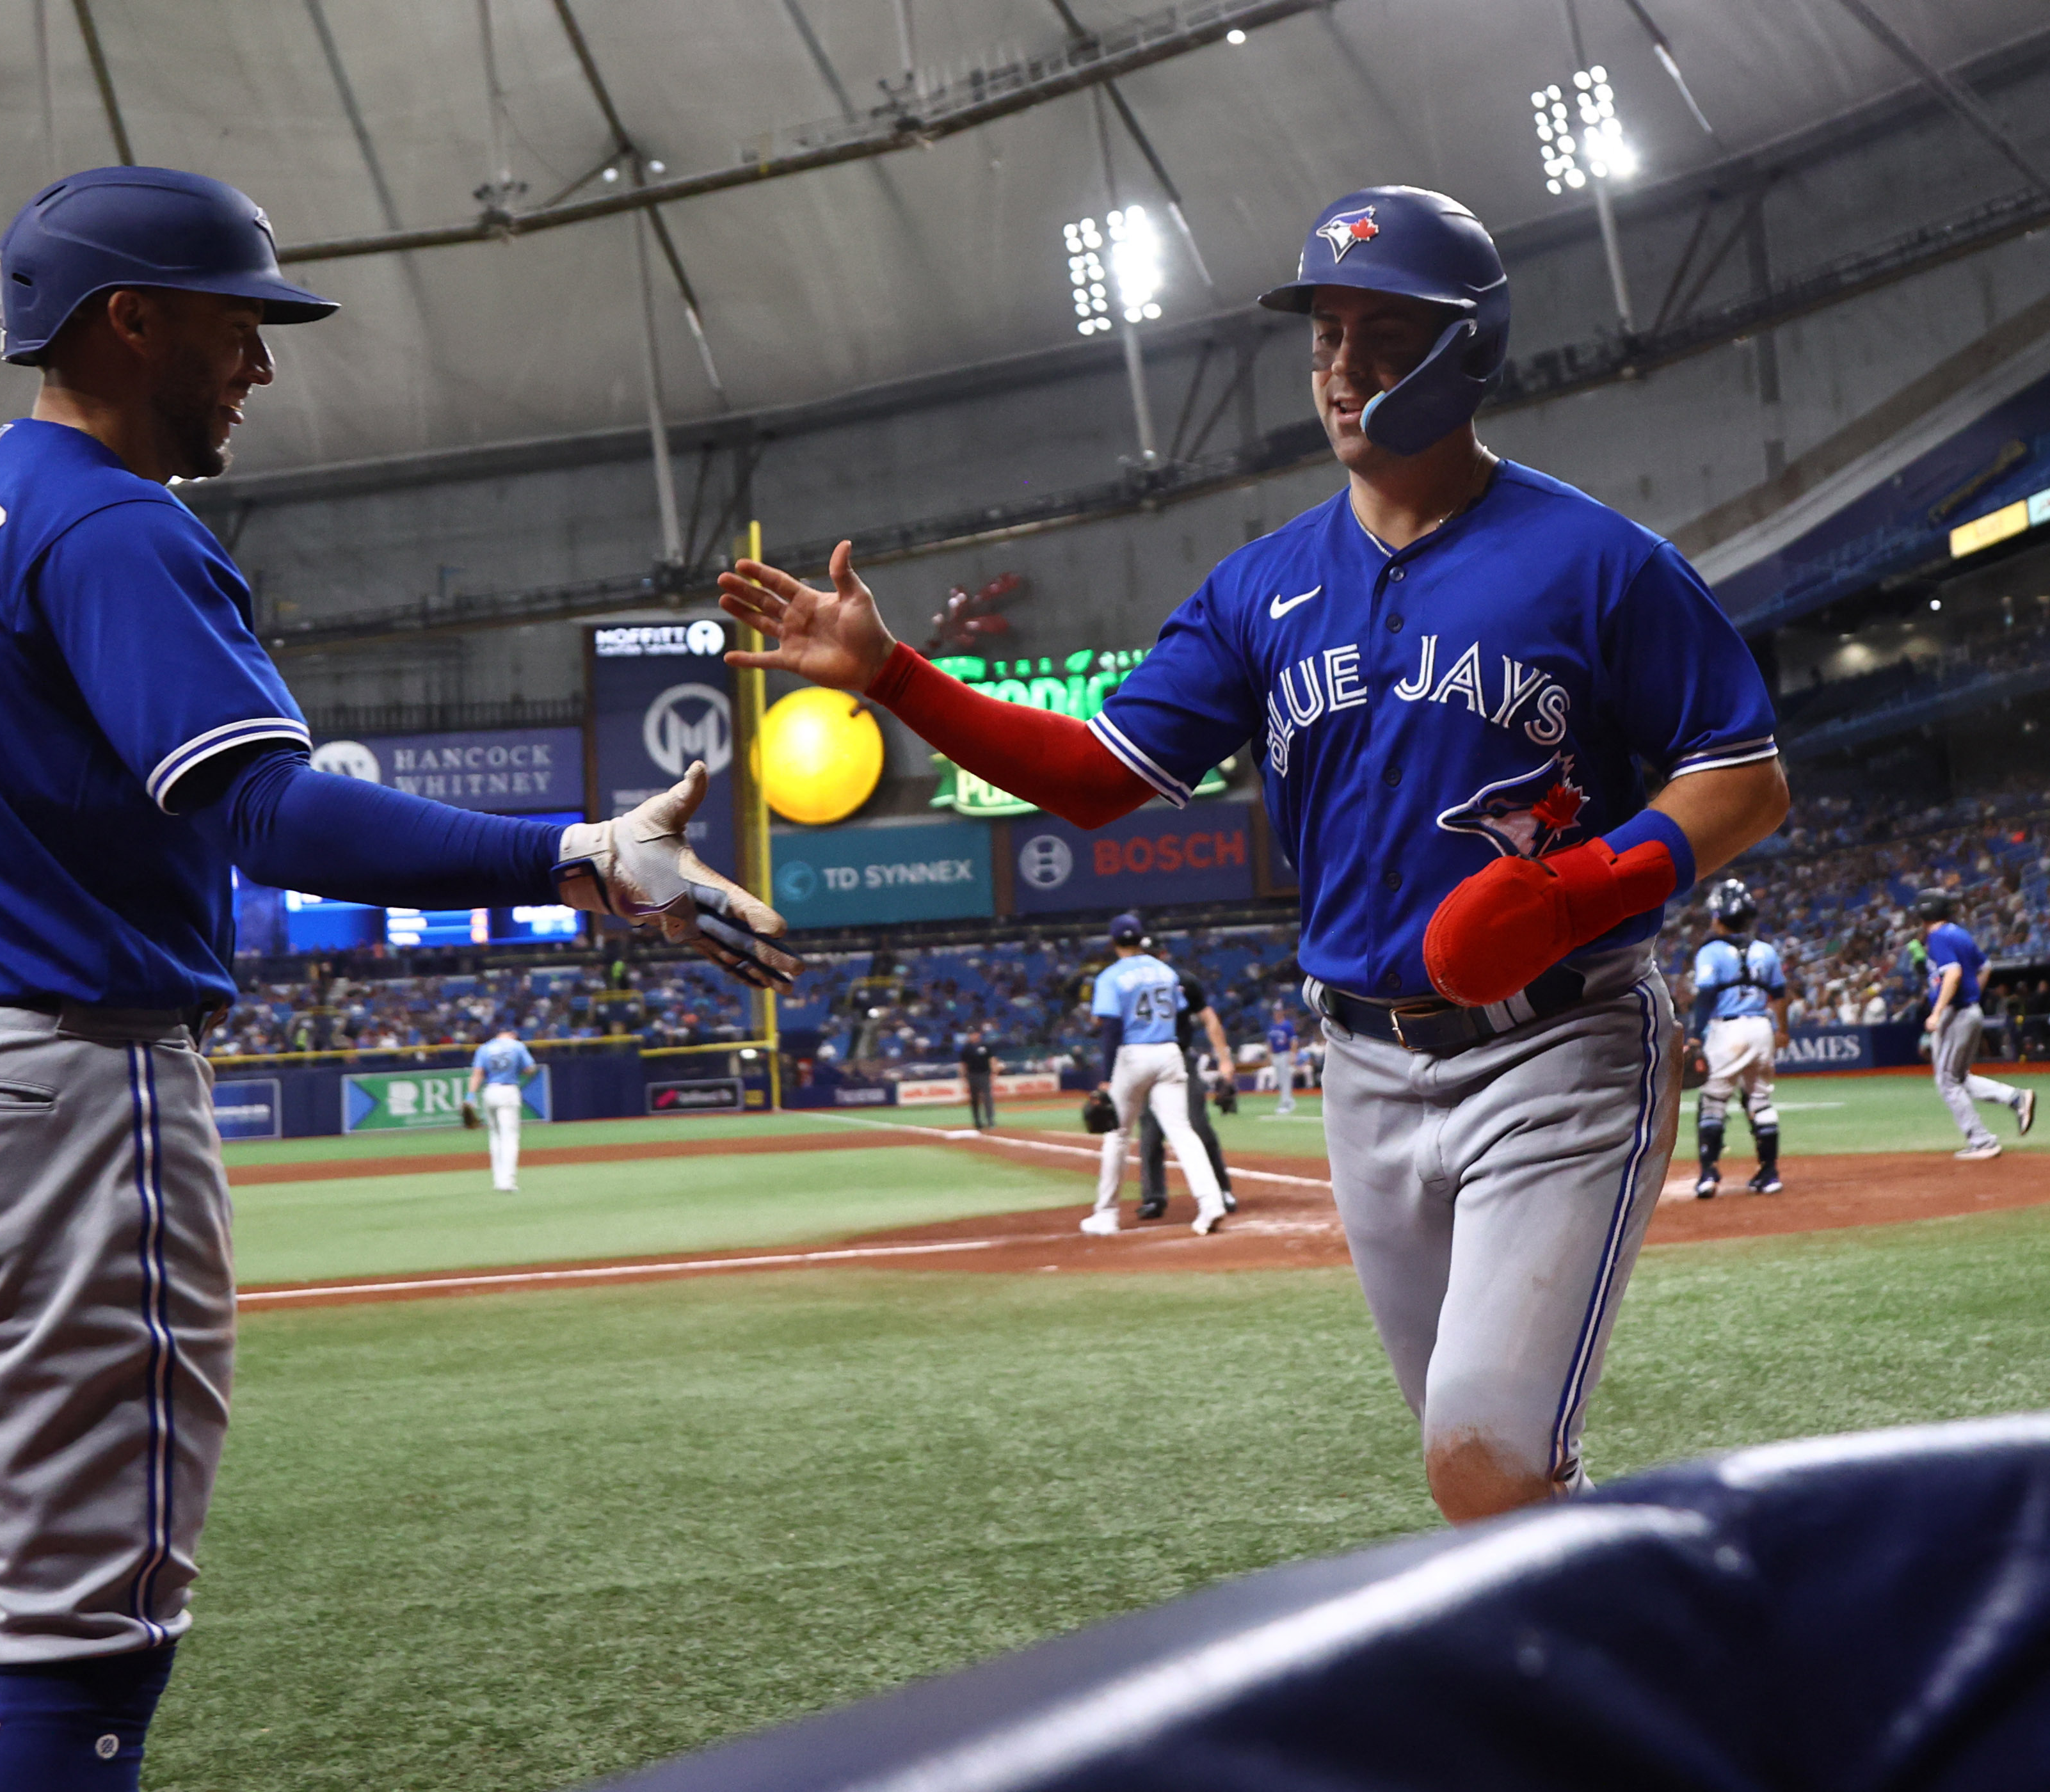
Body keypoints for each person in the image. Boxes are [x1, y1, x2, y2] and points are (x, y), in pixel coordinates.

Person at [0, 166, 797, 1792]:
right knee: (79, 1659)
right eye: (236, 323)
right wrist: (578, 851)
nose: (260, 364)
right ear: (131, 320)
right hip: (61, 1105)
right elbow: (265, 807)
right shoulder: (114, 521)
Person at [718, 184, 1789, 1522]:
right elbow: (1094, 779)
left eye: (1382, 332)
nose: (1343, 370)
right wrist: (892, 674)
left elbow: (1743, 778)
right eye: (1327, 335)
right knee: (1502, 1482)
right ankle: (1613, 1670)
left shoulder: (1598, 562)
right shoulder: (1259, 588)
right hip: (1363, 1069)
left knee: (1482, 1443)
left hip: (1559, 1048)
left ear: (1468, 346)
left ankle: (1641, 1687)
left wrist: (1584, 885)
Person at [1078, 915, 1226, 1236]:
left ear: (1114, 943)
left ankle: (1106, 1215)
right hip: (1169, 1052)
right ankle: (1211, 1202)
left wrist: (1106, 1077)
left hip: (1133, 1054)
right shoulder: (1166, 971)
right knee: (1182, 1131)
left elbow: (1112, 1028)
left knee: (1118, 1135)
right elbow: (1179, 1013)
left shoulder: (1110, 976)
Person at [1916, 886, 2036, 1160]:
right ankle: (2015, 1098)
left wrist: (1937, 1012)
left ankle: (1982, 1141)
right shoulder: (1959, 932)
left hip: (1956, 1014)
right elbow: (1986, 968)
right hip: (1969, 1011)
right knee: (1958, 1078)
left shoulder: (1938, 937)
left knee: (1947, 1082)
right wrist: (1973, 998)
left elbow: (1953, 974)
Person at [1688, 878, 1788, 1197]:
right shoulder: (1766, 950)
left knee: (1714, 1101)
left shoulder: (1711, 952)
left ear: (1717, 917)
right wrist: (1782, 1030)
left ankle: (1707, 1176)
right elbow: (1780, 994)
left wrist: (1694, 1035)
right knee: (1760, 1099)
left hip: (1727, 1030)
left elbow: (1705, 996)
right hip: (1761, 1027)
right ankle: (1769, 1174)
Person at [1137, 946, 1239, 1221]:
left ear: (1163, 954)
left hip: (1179, 1058)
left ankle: (1222, 1190)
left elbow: (1208, 1017)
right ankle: (1154, 1198)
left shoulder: (1182, 980)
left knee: (1199, 1125)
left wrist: (1224, 1059)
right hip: (1143, 1060)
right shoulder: (1131, 984)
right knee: (1150, 1132)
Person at [469, 1027, 536, 1192]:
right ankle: (508, 1182)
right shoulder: (517, 1046)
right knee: (510, 1138)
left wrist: (470, 1096)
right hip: (508, 1091)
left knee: (495, 1136)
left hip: (490, 1091)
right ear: (512, 1034)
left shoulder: (485, 1048)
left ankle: (498, 1181)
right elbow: (530, 1069)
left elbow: (477, 1074)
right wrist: (517, 1070)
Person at [958, 1024, 997, 1130]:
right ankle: (977, 1121)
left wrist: (994, 1073)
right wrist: (962, 1076)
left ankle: (990, 1120)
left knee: (987, 1098)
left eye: (973, 1034)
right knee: (974, 1099)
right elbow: (963, 1064)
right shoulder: (966, 1048)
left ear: (978, 1034)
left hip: (984, 1074)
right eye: (970, 1034)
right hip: (972, 1075)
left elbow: (992, 1060)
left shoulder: (985, 1046)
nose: (971, 1036)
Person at [1266, 1005, 1301, 1116]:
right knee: (1280, 1080)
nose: (1277, 1014)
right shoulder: (1272, 1026)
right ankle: (1286, 1101)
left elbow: (1294, 1041)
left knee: (1286, 1079)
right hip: (1276, 1055)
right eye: (1275, 1012)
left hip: (1285, 1054)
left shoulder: (1287, 1026)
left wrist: (1293, 1054)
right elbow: (1269, 1042)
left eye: (1278, 1012)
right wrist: (1269, 1055)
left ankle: (1287, 1103)